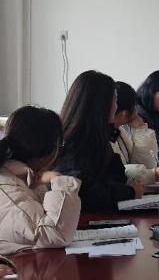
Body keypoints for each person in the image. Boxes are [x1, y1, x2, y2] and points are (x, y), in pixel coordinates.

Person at [55, 70, 143, 212]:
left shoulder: (98, 137)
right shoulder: (74, 143)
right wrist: (129, 192)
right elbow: (83, 192)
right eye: (114, 100)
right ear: (101, 105)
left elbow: (116, 177)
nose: (116, 106)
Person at [0, 106, 80, 254]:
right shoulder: (8, 187)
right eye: (60, 145)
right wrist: (58, 180)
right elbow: (56, 235)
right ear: (47, 155)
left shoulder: (24, 176)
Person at [112, 82, 159, 185]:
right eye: (133, 106)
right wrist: (151, 175)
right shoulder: (102, 135)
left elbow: (146, 165)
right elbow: (115, 173)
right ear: (124, 114)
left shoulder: (118, 130)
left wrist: (141, 129)